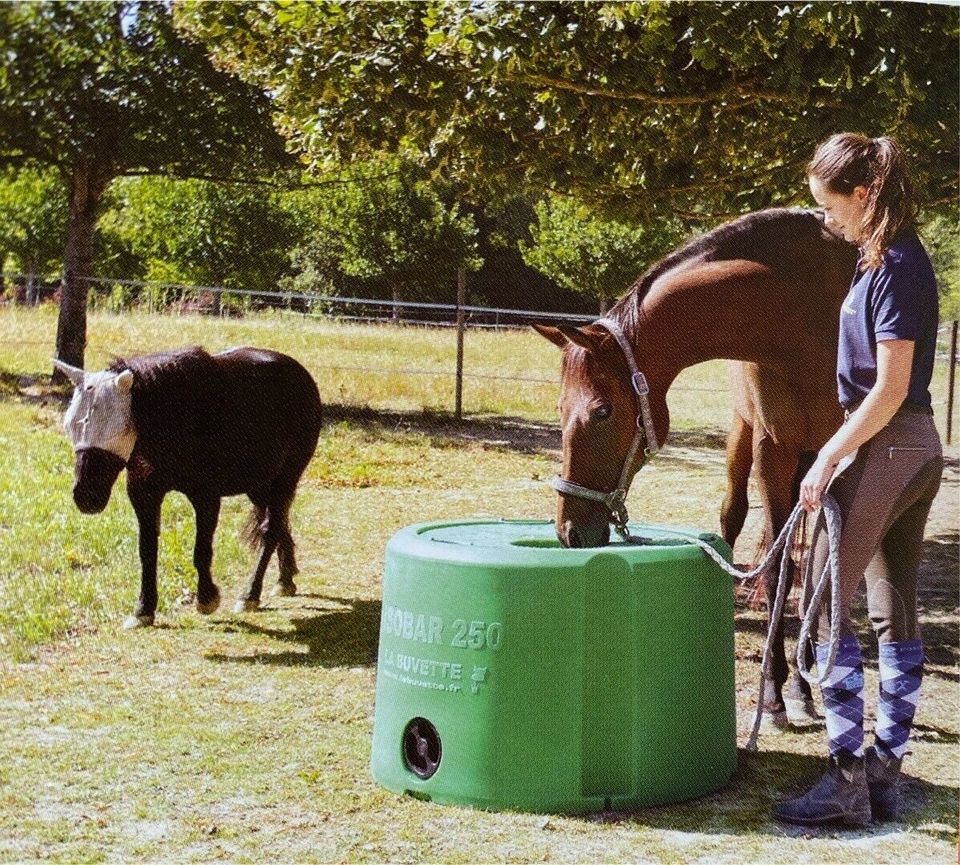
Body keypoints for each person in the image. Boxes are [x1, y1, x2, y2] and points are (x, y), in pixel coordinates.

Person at [774, 133, 943, 827]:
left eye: (832, 205)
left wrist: (827, 455)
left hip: (887, 444)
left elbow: (892, 386)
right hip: (909, 451)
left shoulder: (898, 264)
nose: (828, 219)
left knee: (823, 606)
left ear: (865, 193)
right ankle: (882, 771)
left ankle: (845, 778)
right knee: (892, 608)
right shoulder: (880, 259)